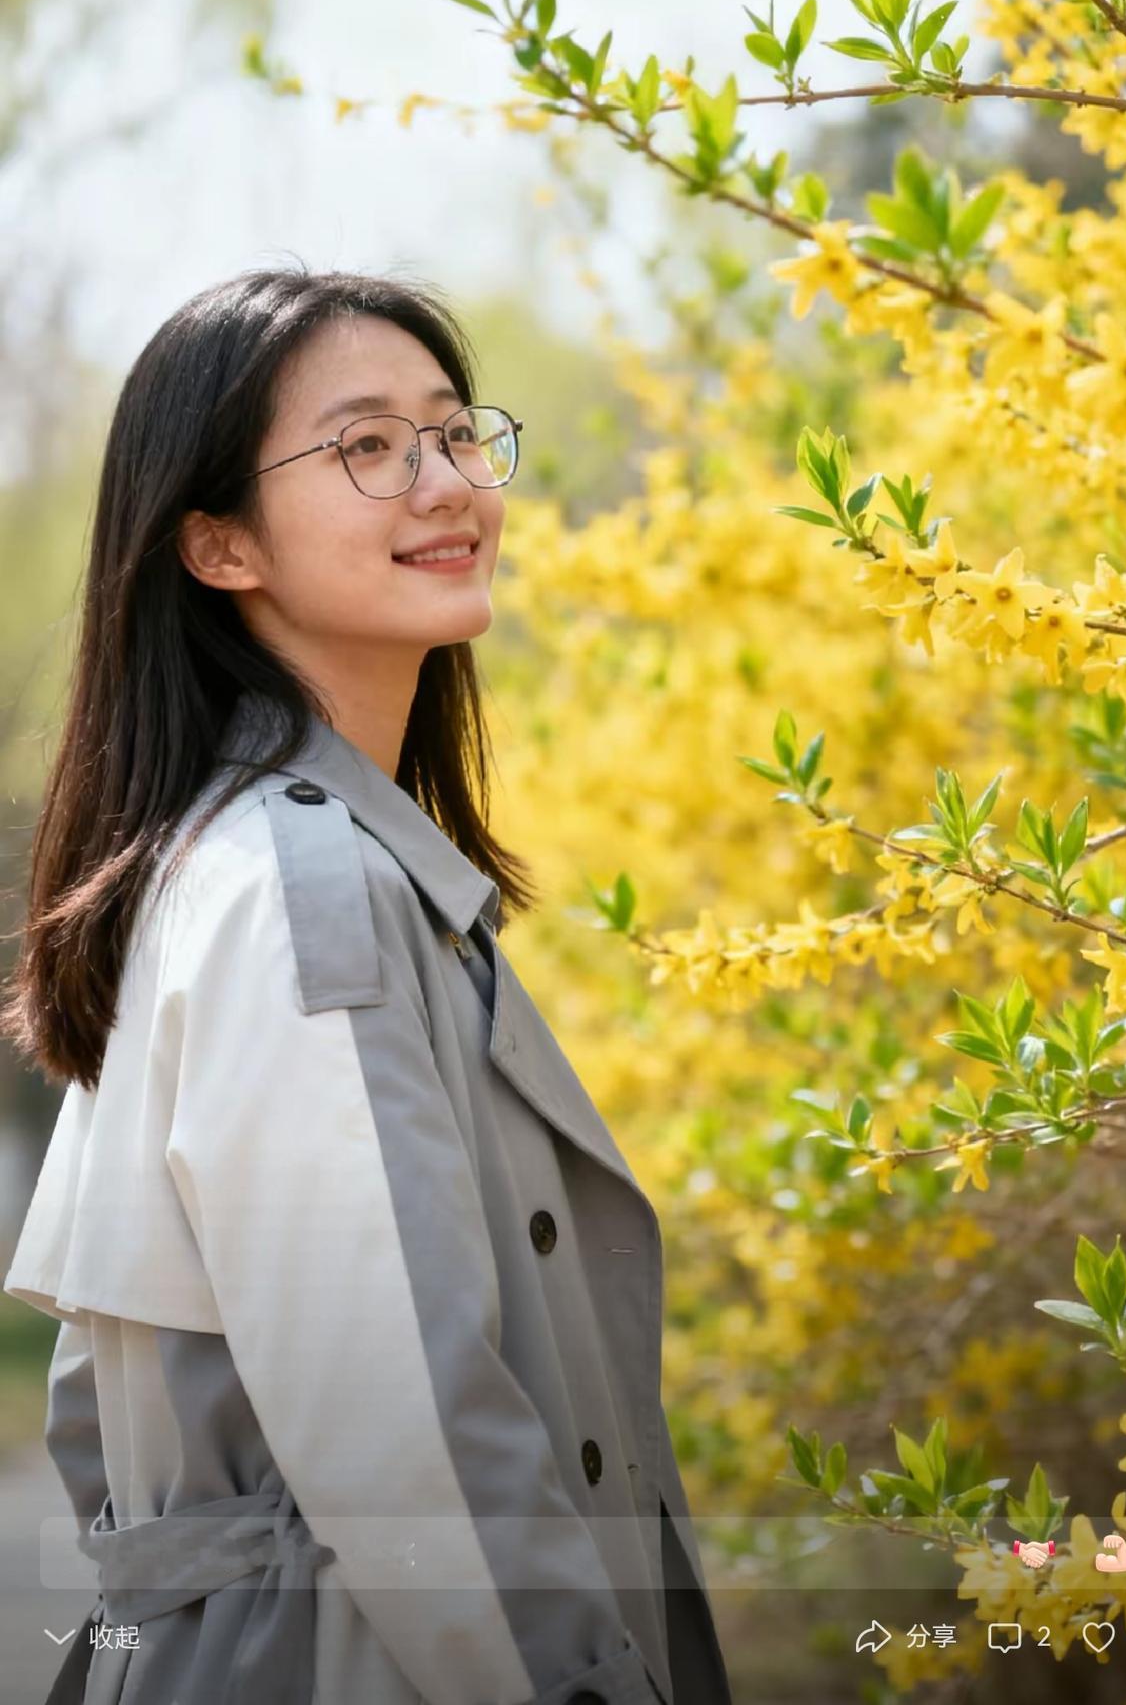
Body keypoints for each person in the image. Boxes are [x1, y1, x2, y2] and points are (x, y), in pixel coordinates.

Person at [2, 266, 734, 1705]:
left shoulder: (236, 860)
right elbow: (402, 1420)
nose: (445, 482)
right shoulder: (297, 888)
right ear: (216, 545)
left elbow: (98, 1419)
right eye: (366, 447)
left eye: (458, 434)